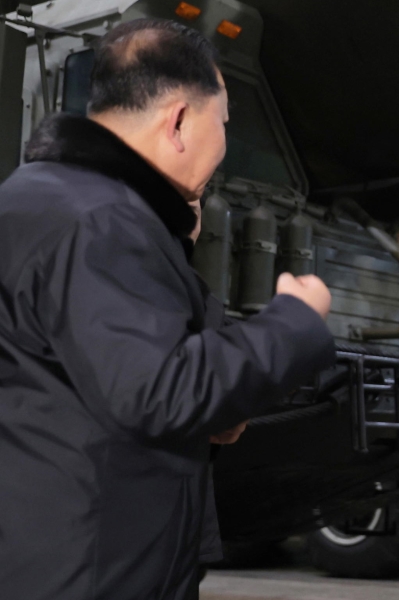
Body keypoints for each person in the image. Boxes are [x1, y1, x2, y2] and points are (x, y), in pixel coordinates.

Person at [0, 18, 336, 600]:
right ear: (180, 120)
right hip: (95, 568)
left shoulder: (42, 199)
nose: (223, 144)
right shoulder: (101, 221)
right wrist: (295, 322)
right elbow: (159, 391)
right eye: (223, 122)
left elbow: (79, 383)